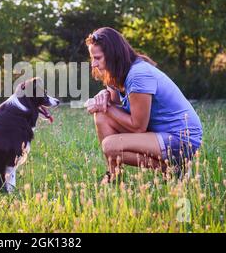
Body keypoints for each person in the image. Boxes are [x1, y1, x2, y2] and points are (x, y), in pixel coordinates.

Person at [85, 27, 203, 183]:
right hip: (159, 132)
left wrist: (105, 106)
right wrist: (104, 96)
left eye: (98, 58)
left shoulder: (138, 74)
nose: (93, 64)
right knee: (101, 116)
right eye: (93, 58)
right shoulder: (117, 72)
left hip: (181, 137)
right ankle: (114, 176)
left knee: (110, 146)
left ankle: (173, 170)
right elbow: (112, 102)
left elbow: (138, 127)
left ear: (113, 55)